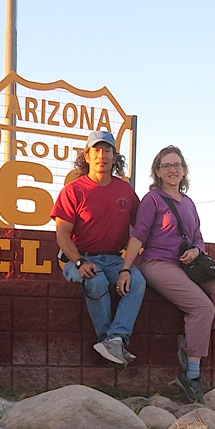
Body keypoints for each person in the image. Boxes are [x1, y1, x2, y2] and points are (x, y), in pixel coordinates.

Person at [120, 145, 215, 401]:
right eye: (166, 166)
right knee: (202, 308)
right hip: (157, 263)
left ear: (184, 171)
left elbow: (197, 237)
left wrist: (197, 250)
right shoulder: (152, 200)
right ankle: (191, 374)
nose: (172, 170)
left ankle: (194, 339)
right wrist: (126, 268)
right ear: (158, 172)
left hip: (187, 264)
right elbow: (139, 234)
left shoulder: (189, 203)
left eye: (177, 165)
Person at [51, 130, 146, 368]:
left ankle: (114, 339)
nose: (101, 156)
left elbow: (140, 229)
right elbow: (62, 235)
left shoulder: (125, 191)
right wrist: (80, 262)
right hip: (78, 258)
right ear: (87, 156)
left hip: (114, 259)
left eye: (107, 151)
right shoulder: (73, 191)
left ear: (115, 157)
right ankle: (109, 342)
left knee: (138, 281)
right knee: (96, 280)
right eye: (96, 150)